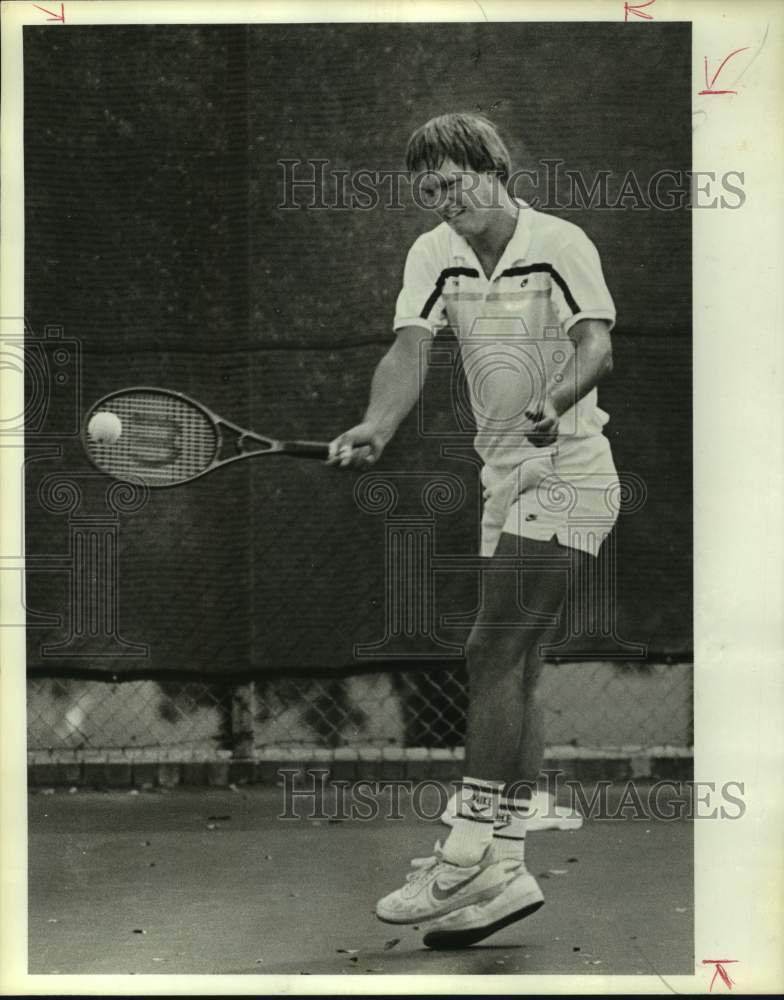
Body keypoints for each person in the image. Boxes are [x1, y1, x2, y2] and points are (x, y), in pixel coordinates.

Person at [328, 112, 619, 948]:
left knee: (490, 653)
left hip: (569, 468)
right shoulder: (434, 254)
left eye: (454, 183)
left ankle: (461, 853)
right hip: (505, 479)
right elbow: (408, 351)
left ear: (495, 171)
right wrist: (377, 425)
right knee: (518, 668)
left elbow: (595, 348)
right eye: (428, 190)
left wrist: (550, 403)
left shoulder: (559, 242)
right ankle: (509, 863)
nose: (443, 201)